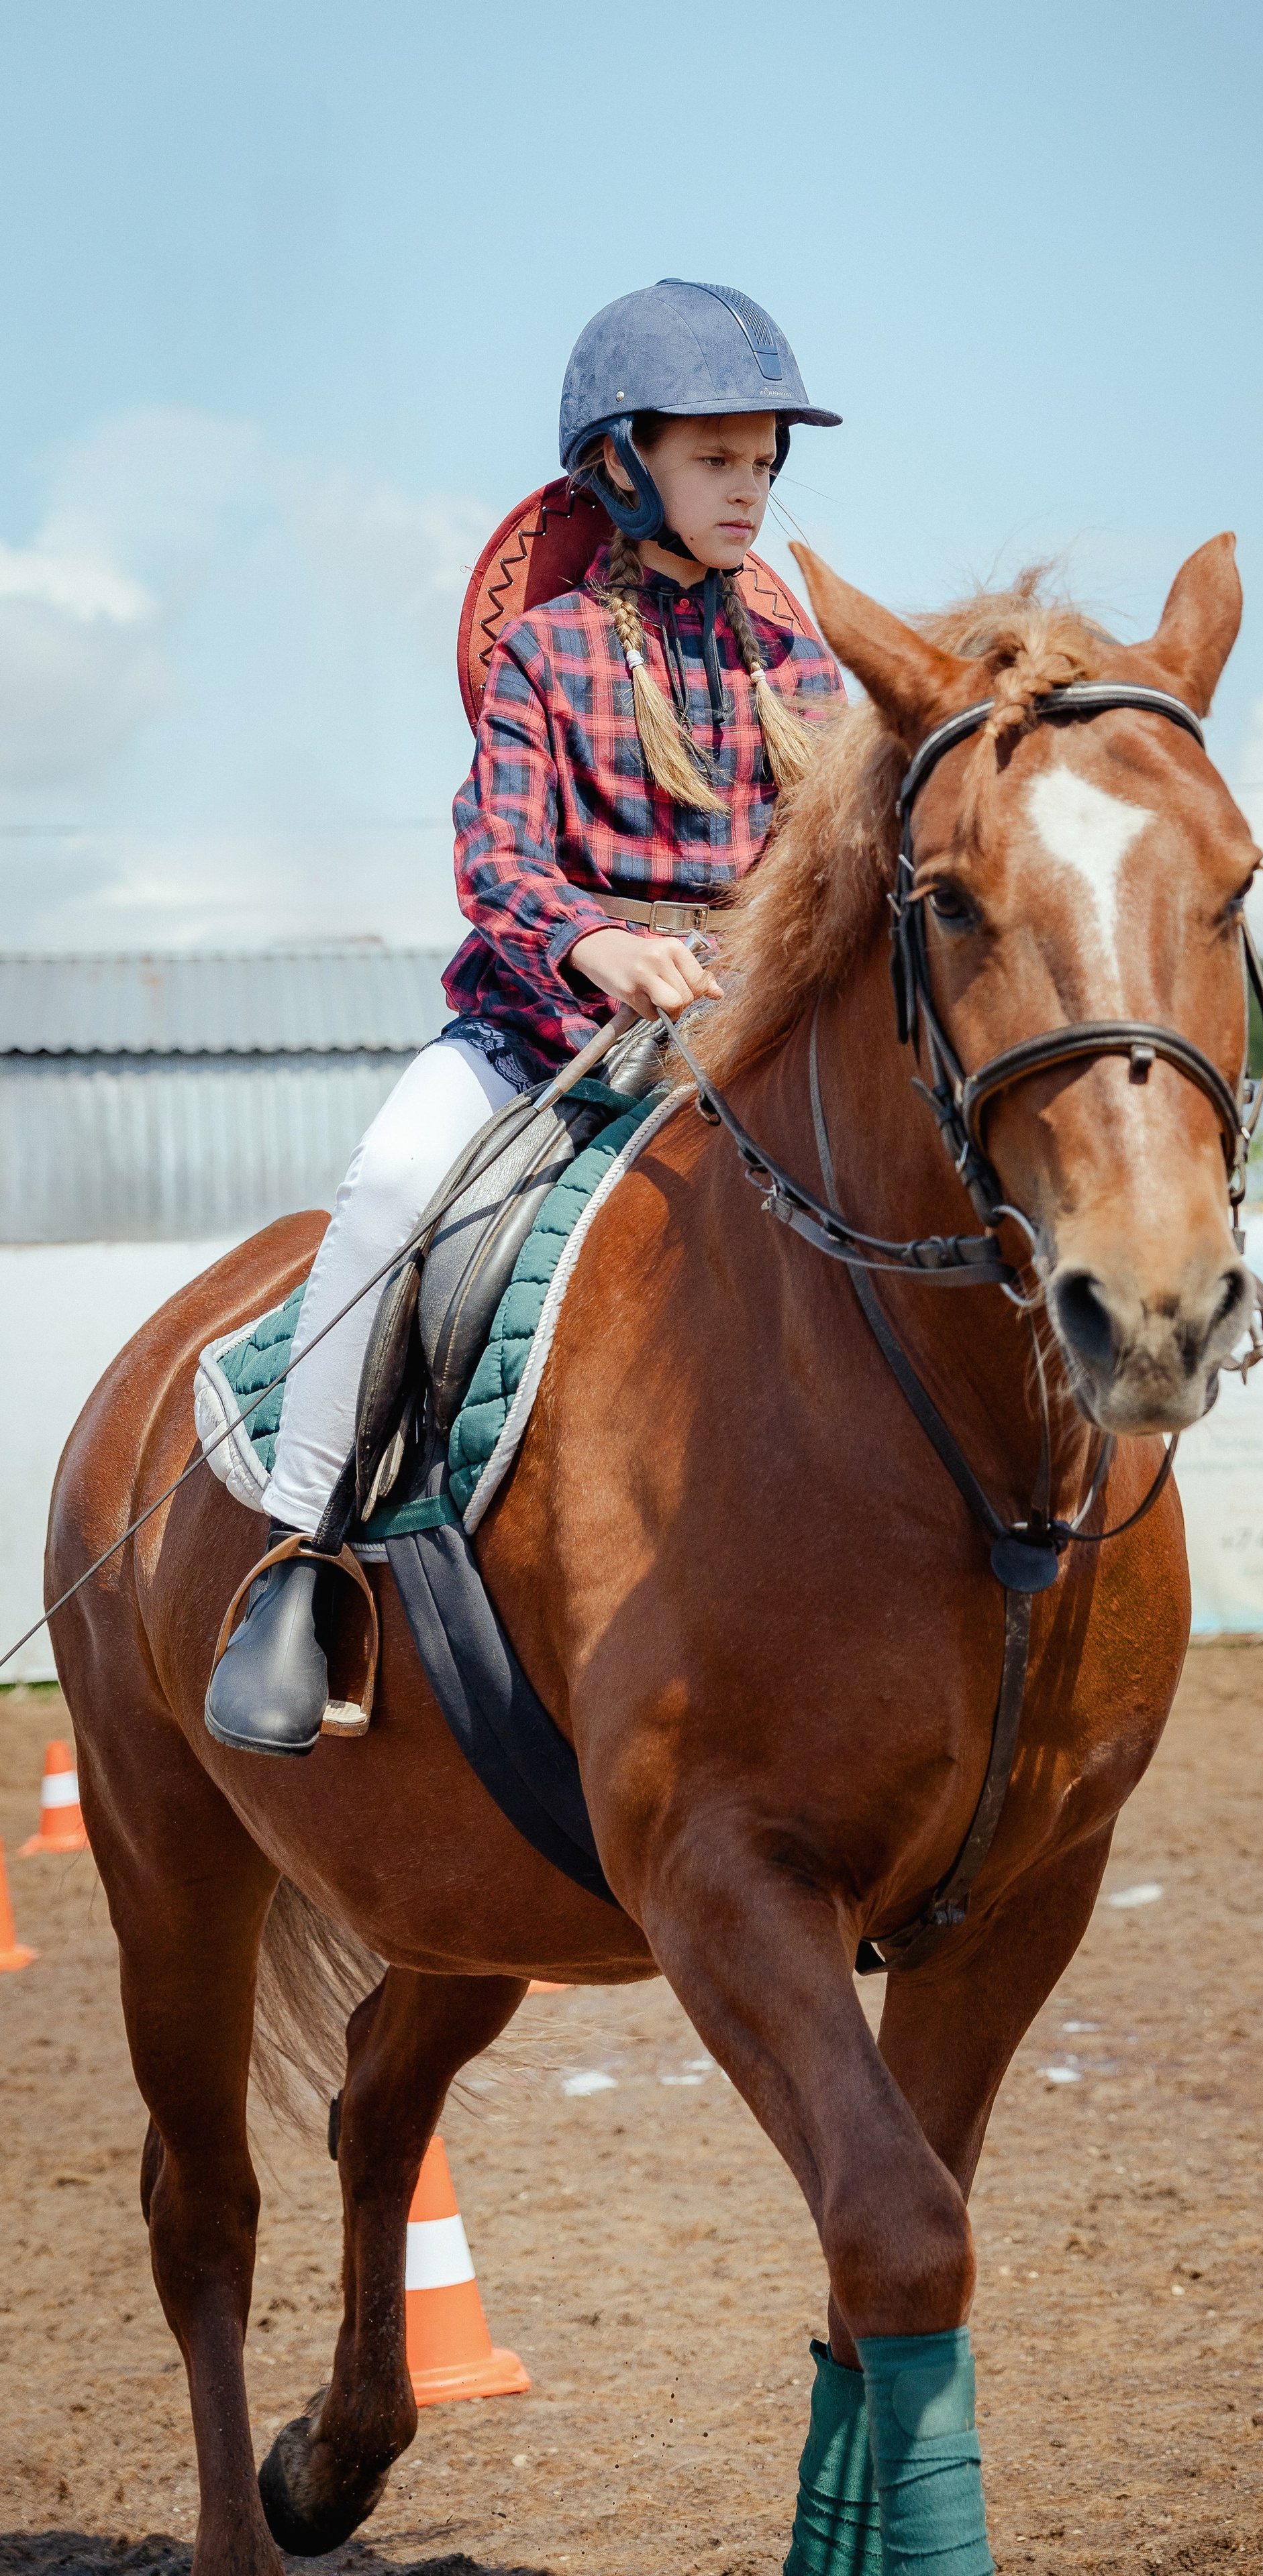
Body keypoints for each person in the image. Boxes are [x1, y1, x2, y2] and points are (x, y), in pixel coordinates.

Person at [205, 280, 844, 1757]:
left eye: (760, 461)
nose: (745, 488)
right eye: (712, 460)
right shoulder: (548, 653)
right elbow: (495, 862)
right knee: (379, 1199)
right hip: (536, 1039)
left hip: (730, 1050)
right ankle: (299, 1571)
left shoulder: (798, 663)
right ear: (623, 468)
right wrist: (600, 942)